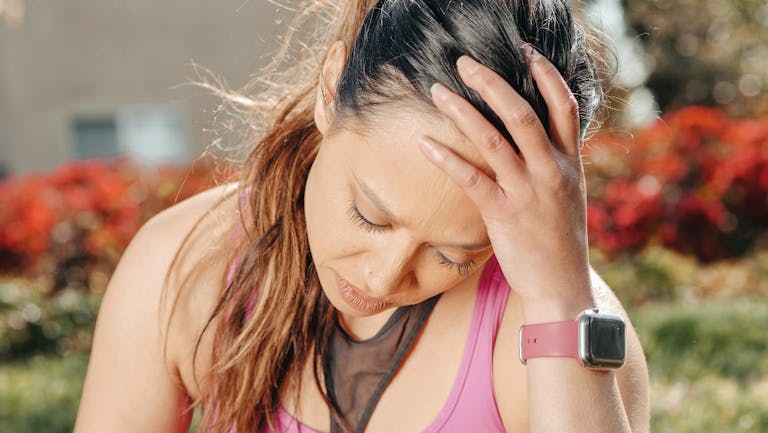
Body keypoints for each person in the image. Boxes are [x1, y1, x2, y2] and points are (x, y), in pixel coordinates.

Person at [73, 0, 650, 432]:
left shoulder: (560, 324)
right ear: (330, 91)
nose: (381, 278)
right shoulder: (184, 263)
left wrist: (559, 295)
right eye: (369, 216)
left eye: (454, 255)